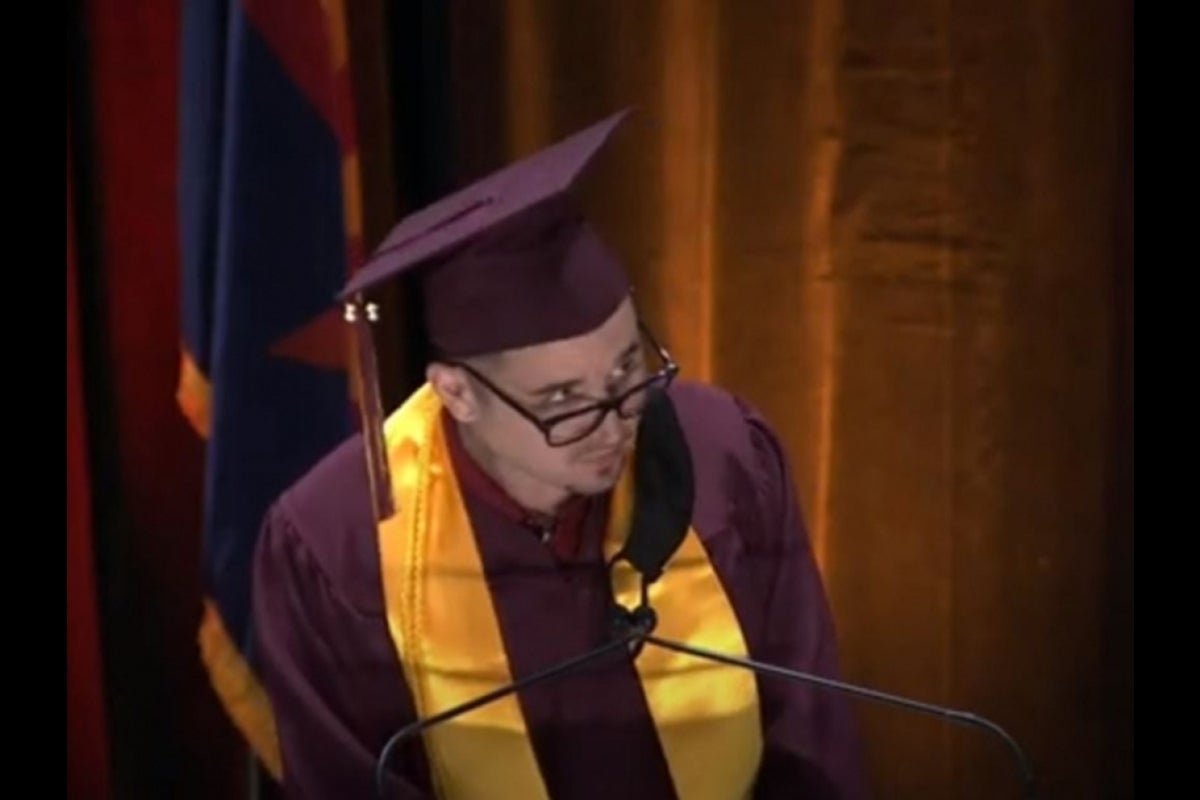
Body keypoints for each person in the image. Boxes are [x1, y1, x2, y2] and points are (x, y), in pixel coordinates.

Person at [251, 109, 869, 799]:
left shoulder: (725, 458)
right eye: (564, 402)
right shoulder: (339, 544)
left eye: (628, 368)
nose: (617, 424)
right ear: (457, 394)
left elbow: (811, 743)